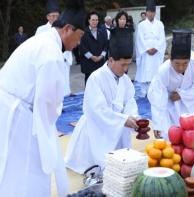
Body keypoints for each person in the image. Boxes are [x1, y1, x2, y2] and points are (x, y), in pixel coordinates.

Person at [0, 1, 86, 196]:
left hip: (9, 105)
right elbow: (47, 104)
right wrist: (49, 130)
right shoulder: (51, 54)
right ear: (67, 29)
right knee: (27, 168)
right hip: (18, 113)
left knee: (9, 164)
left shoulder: (44, 40)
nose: (78, 43)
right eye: (79, 37)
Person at [65, 28, 139, 174]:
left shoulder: (125, 80)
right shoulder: (96, 78)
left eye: (128, 65)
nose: (125, 69)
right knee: (97, 169)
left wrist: (132, 117)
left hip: (116, 128)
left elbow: (130, 101)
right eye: (122, 65)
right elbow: (97, 110)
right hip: (95, 129)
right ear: (110, 60)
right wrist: (123, 119)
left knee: (120, 167)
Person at [148, 29, 194, 139]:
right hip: (167, 102)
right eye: (177, 64)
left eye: (185, 63)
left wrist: (182, 95)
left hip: (187, 102)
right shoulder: (163, 71)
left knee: (188, 134)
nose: (181, 67)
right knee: (168, 135)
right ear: (170, 59)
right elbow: (158, 98)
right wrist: (158, 124)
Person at [35, 0, 73, 96]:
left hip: (63, 60)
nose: (55, 18)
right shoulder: (41, 29)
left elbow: (68, 45)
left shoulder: (64, 28)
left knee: (63, 82)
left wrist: (65, 57)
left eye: (57, 16)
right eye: (52, 16)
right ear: (47, 17)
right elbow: (37, 46)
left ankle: (66, 93)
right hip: (48, 62)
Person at [135, 0, 166, 99]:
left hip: (157, 52)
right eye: (149, 12)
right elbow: (139, 39)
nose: (151, 14)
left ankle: (156, 91)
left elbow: (162, 38)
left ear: (155, 13)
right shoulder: (141, 25)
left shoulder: (160, 24)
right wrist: (147, 49)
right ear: (146, 12)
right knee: (146, 72)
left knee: (156, 72)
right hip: (145, 52)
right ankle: (145, 92)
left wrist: (156, 49)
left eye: (153, 12)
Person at [79, 11, 108, 84]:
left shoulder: (102, 32)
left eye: (96, 20)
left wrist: (101, 56)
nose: (95, 22)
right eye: (93, 20)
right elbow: (82, 47)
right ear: (89, 20)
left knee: (101, 82)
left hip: (100, 62)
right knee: (89, 82)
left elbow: (106, 45)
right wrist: (92, 57)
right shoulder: (83, 32)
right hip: (88, 62)